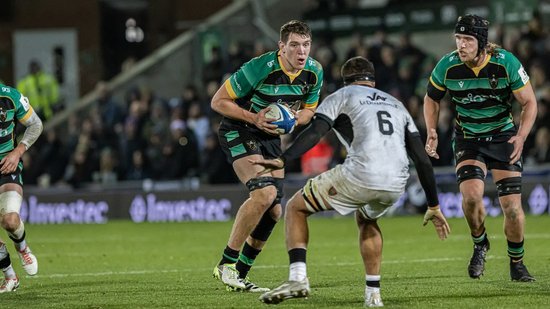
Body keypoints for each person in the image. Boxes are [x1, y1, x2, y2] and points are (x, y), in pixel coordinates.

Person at [251, 56, 450, 307]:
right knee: (367, 218)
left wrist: (283, 159)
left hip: (362, 173)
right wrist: (434, 206)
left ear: (345, 81)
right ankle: (373, 295)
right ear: (373, 80)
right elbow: (421, 159)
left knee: (295, 207)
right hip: (396, 181)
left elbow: (315, 132)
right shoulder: (396, 104)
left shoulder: (342, 96)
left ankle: (298, 278)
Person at [210, 20, 324, 292]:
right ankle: (226, 265)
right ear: (281, 47)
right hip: (240, 128)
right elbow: (218, 101)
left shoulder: (314, 71)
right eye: (294, 45)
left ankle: (238, 273)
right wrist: (254, 117)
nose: (301, 51)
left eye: (306, 45)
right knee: (263, 195)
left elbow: (310, 110)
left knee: (274, 210)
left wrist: (296, 119)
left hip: (270, 135)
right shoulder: (259, 67)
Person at [423, 15, 537, 282]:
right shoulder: (447, 66)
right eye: (458, 39)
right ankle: (480, 244)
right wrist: (431, 129)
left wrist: (521, 136)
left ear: (482, 42)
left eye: (468, 40)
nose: (461, 45)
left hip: (502, 137)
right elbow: (431, 98)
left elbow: (530, 102)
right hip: (468, 138)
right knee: (471, 197)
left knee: (511, 208)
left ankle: (517, 263)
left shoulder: (505, 62)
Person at [0, 83, 43, 292]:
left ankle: (23, 248)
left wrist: (18, 151)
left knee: (10, 220)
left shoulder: (10, 97)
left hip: (6, 167)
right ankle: (10, 277)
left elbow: (35, 124)